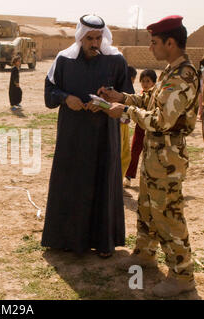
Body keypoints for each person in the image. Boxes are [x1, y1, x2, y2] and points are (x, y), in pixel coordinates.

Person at [100, 15, 200, 297]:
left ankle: (182, 276)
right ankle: (144, 254)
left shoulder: (184, 76)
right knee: (146, 206)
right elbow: (149, 99)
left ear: (170, 43)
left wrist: (126, 112)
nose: (151, 47)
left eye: (154, 42)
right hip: (156, 154)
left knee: (168, 214)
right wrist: (121, 97)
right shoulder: (170, 71)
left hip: (168, 155)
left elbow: (161, 120)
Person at [41, 14, 133, 258]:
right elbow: (49, 92)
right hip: (73, 136)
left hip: (104, 137)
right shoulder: (64, 60)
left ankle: (104, 242)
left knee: (102, 183)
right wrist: (65, 97)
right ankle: (65, 240)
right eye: (89, 38)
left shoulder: (116, 61)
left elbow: (128, 98)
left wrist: (105, 102)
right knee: (71, 183)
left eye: (98, 38)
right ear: (80, 37)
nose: (94, 43)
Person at [124, 69, 157, 187]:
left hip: (152, 128)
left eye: (148, 81)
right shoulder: (141, 95)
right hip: (140, 127)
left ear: (154, 83)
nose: (145, 84)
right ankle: (128, 176)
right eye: (143, 81)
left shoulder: (156, 96)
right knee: (134, 151)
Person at [119, 66, 136, 181]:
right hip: (118, 125)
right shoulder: (122, 89)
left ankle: (118, 184)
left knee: (125, 155)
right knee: (120, 155)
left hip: (124, 124)